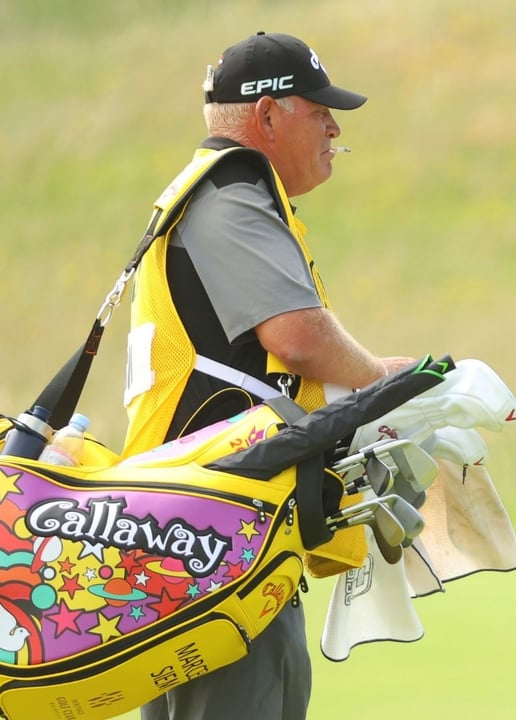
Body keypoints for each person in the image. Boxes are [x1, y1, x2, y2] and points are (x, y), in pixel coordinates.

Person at [123, 31, 418, 720]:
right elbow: (298, 336)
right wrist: (382, 382)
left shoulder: (223, 194)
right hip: (213, 541)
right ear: (267, 118)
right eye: (318, 110)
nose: (334, 126)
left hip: (194, 535)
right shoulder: (231, 197)